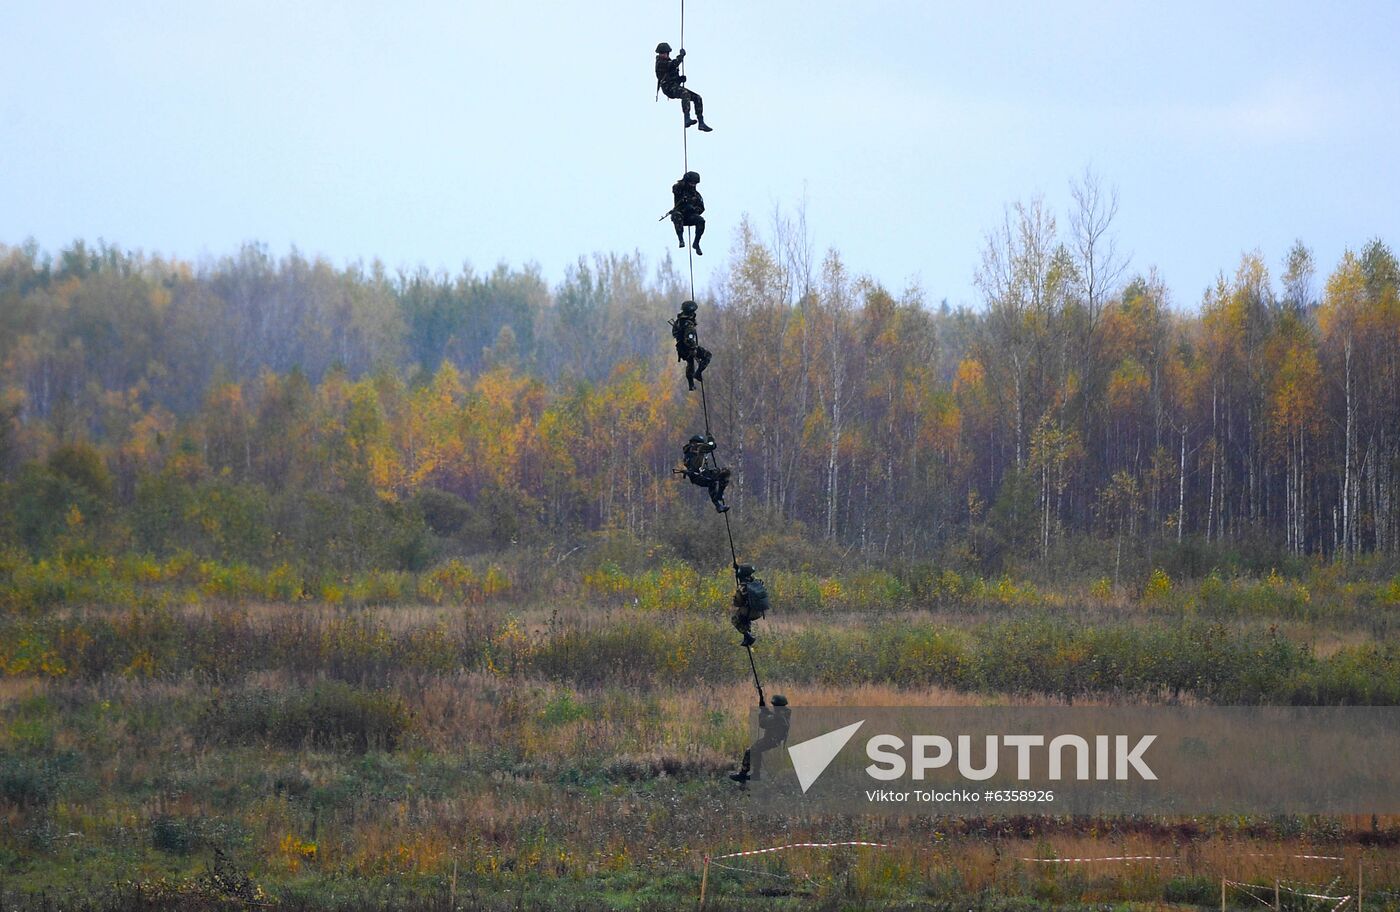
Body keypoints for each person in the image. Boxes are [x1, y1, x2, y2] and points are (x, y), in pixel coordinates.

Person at [729, 694, 790, 783]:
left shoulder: (779, 717)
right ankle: (755, 773)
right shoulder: (784, 713)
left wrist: (762, 711)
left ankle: (745, 774)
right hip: (774, 740)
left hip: (771, 740)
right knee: (756, 750)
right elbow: (772, 716)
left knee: (750, 751)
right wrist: (765, 709)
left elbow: (763, 723)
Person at [654, 42, 712, 132]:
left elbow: (672, 75)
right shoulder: (660, 63)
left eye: (666, 53)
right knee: (685, 94)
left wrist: (680, 79)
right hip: (668, 88)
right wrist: (681, 56)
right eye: (663, 53)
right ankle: (687, 118)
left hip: (673, 86)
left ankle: (701, 123)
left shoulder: (667, 62)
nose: (664, 55)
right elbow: (674, 64)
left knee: (697, 98)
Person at [679, 434, 730, 513]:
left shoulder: (688, 452)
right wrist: (710, 438)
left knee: (712, 483)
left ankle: (718, 506)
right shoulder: (697, 447)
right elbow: (712, 446)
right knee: (725, 472)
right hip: (701, 475)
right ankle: (719, 495)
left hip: (696, 477)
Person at [669, 300, 711, 390]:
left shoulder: (678, 322)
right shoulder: (688, 324)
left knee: (690, 363)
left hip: (681, 348)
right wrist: (694, 348)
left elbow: (674, 334)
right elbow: (689, 339)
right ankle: (698, 373)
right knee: (707, 355)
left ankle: (691, 384)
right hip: (688, 348)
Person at [730, 564, 770, 647]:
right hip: (759, 612)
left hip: (749, 613)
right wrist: (738, 569)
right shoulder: (757, 582)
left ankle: (748, 636)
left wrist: (735, 596)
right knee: (745, 616)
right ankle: (747, 636)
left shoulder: (742, 587)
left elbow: (737, 603)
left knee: (735, 619)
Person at [669, 171, 705, 256]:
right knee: (677, 215)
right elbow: (675, 189)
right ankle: (681, 239)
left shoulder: (696, 195)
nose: (693, 185)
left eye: (694, 183)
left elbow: (702, 208)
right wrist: (683, 185)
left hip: (689, 217)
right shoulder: (679, 189)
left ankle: (696, 243)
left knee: (701, 221)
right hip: (680, 215)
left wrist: (693, 209)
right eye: (691, 183)